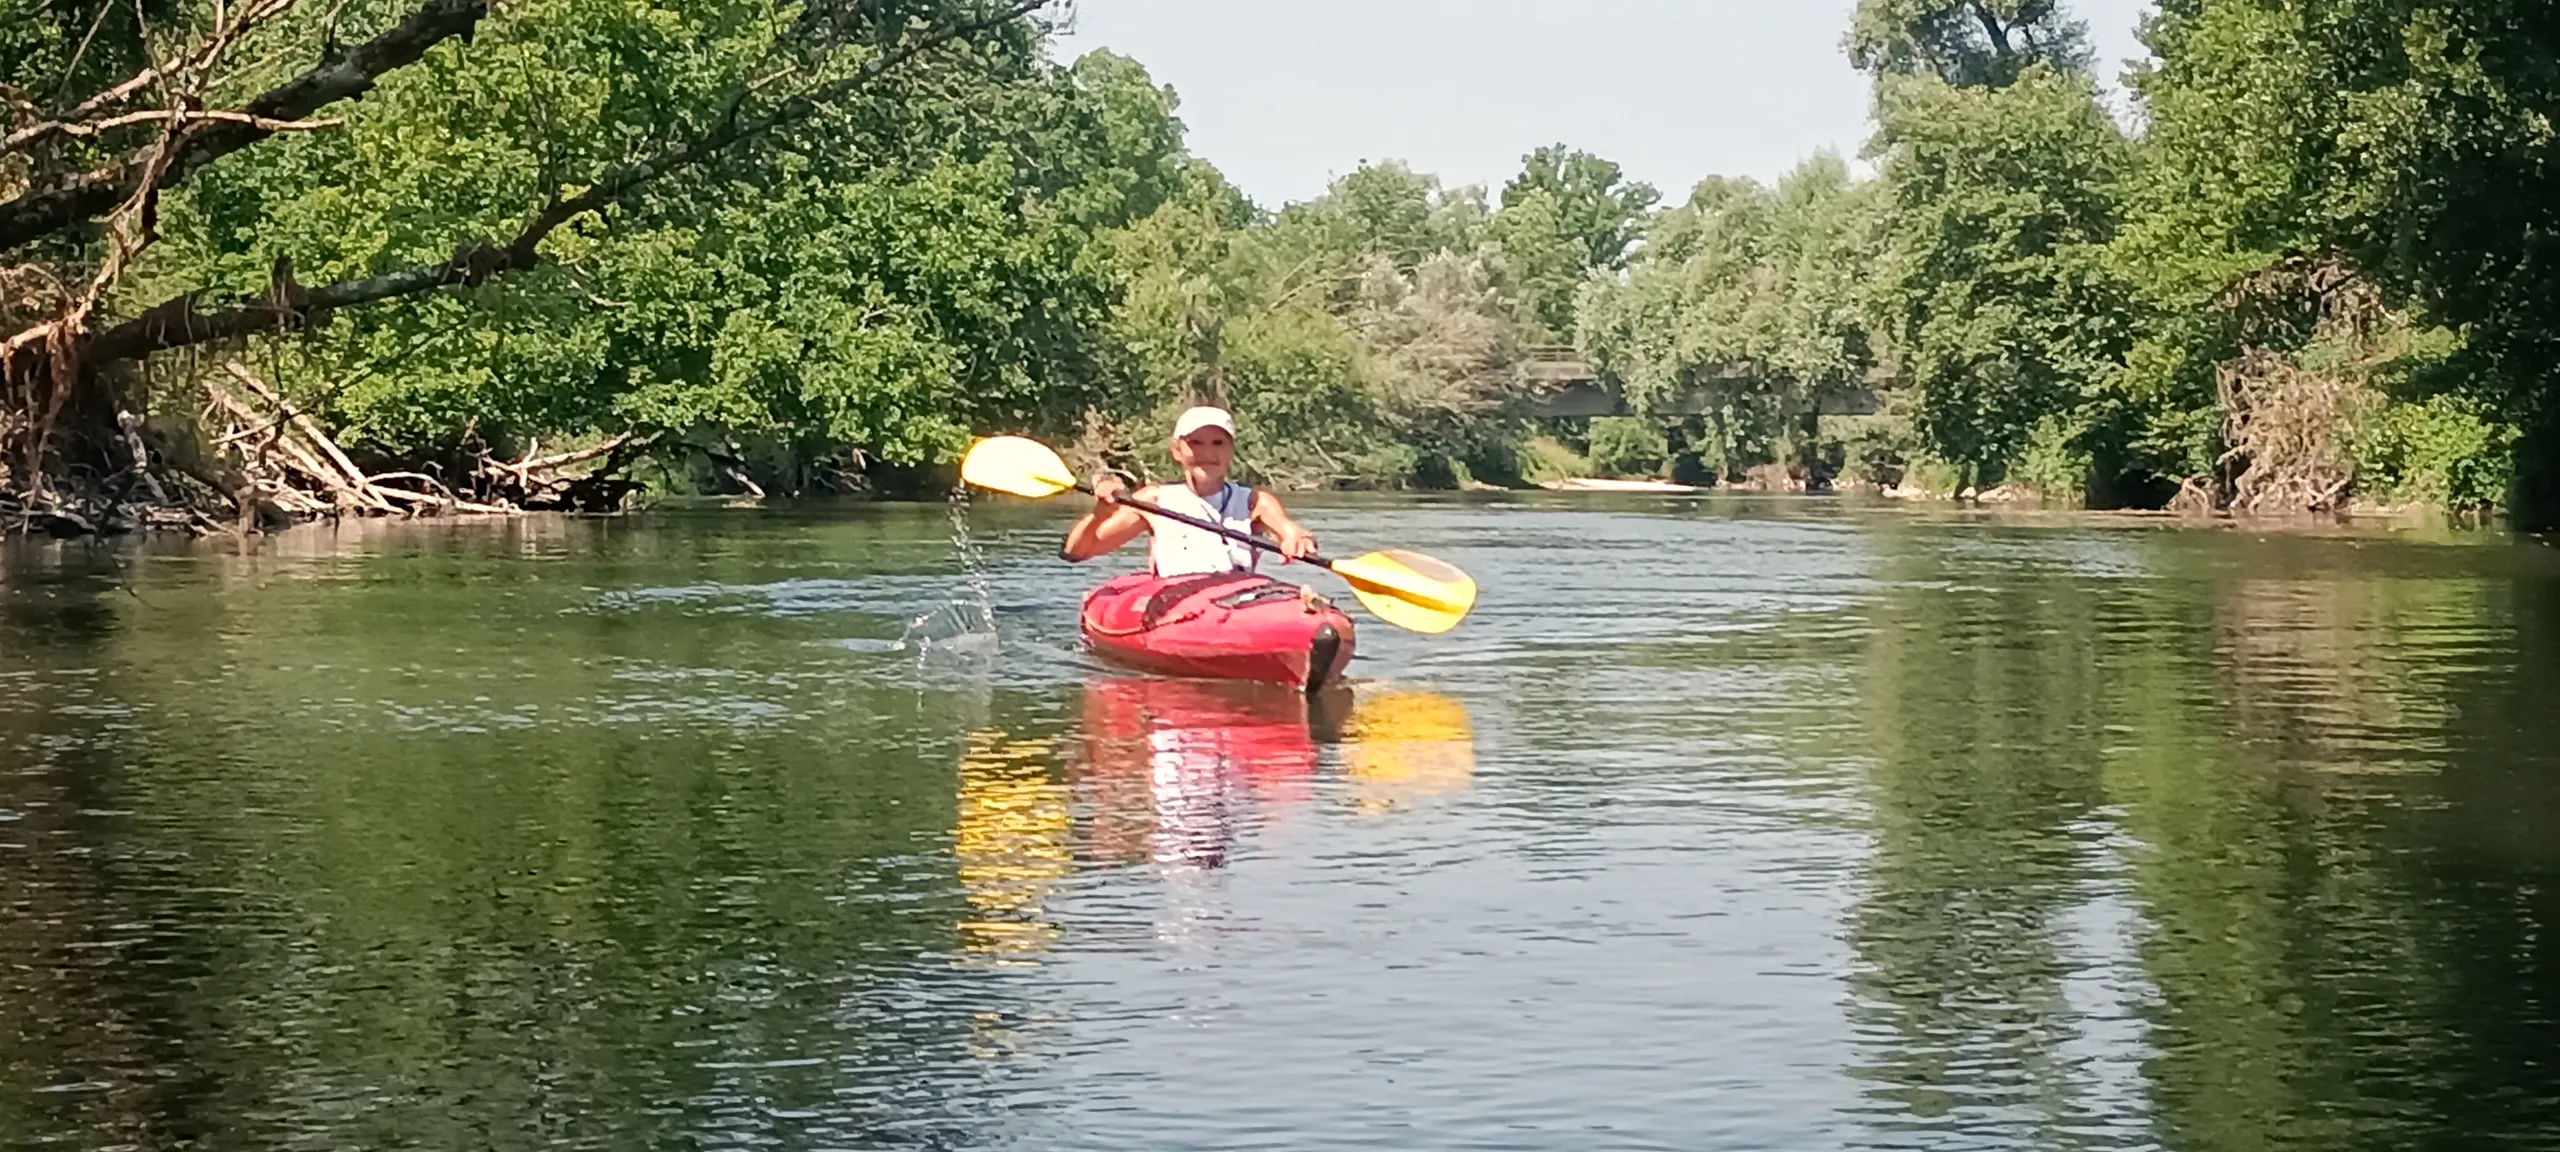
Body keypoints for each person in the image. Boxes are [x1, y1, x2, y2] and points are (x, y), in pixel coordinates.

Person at [1060, 406, 1320, 578]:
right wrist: (1100, 513)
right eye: (1195, 443)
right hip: (1178, 603)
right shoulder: (1153, 501)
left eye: (1218, 443)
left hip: (1236, 600)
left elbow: (1291, 531)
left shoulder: (1255, 502)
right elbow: (1076, 552)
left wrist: (1297, 540)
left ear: (1231, 451)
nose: (1207, 453)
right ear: (1177, 452)